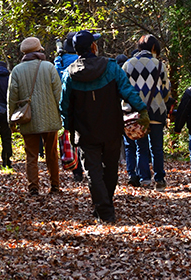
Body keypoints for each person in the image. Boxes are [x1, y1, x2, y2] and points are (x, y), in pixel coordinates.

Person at [60, 31, 149, 224]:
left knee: (93, 172)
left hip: (84, 131)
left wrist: (67, 126)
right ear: (93, 47)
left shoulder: (69, 74)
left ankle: (104, 209)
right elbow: (128, 90)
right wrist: (142, 110)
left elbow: (64, 105)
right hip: (111, 128)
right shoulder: (111, 68)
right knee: (109, 170)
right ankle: (105, 208)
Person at [8, 36, 62, 195]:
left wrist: (10, 119)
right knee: (52, 153)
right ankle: (55, 186)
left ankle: (33, 187)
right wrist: (62, 114)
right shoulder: (49, 67)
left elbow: (11, 97)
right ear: (39, 50)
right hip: (50, 117)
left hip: (27, 118)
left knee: (31, 155)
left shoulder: (17, 70)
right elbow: (58, 94)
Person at [122, 34, 171, 189]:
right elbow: (166, 90)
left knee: (140, 147)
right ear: (153, 48)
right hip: (156, 111)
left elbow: (123, 89)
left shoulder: (128, 65)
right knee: (157, 148)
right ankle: (160, 179)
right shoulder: (159, 65)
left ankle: (144, 178)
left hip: (135, 112)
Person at [54, 32, 84, 182]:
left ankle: (76, 170)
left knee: (70, 136)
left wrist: (58, 60)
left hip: (66, 102)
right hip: (84, 101)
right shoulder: (82, 58)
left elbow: (57, 79)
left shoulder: (60, 61)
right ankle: (87, 166)